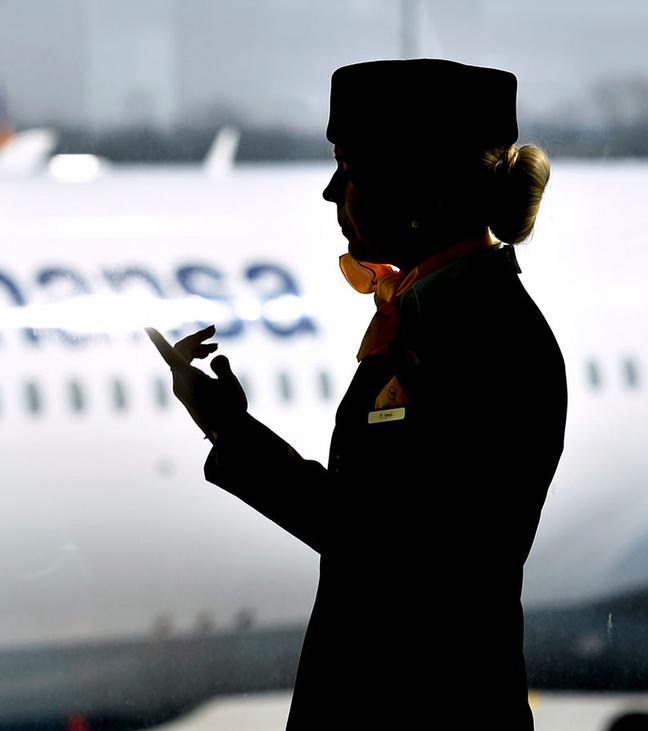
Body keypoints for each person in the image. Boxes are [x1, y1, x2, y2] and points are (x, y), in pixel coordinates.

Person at [147, 59, 567, 729]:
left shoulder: (484, 338)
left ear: (426, 189)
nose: (329, 191)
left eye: (349, 166)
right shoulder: (439, 320)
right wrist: (230, 430)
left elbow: (395, 553)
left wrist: (235, 436)